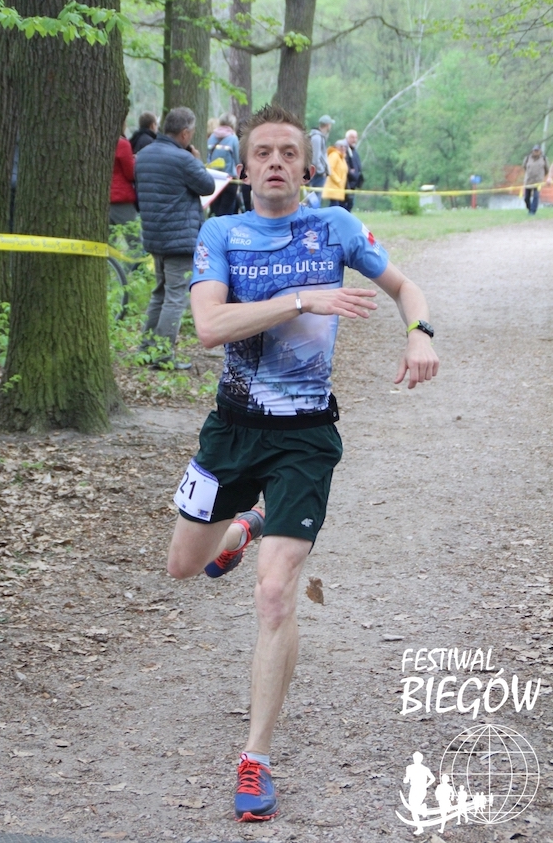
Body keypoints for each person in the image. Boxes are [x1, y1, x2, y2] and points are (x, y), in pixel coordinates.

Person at [166, 103, 439, 822]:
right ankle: (244, 525)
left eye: (289, 153)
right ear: (244, 166)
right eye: (264, 153)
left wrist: (420, 332)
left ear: (308, 166)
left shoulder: (335, 227)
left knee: (274, 594)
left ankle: (255, 758)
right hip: (231, 431)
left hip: (306, 437)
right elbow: (208, 326)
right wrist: (300, 299)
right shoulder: (222, 232)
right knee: (183, 567)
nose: (277, 163)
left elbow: (405, 288)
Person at [135, 107, 215, 368]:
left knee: (159, 292)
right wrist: (196, 160)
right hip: (179, 239)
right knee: (175, 296)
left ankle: (146, 348)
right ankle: (162, 355)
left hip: (154, 235)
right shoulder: (183, 159)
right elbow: (207, 186)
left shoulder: (144, 155)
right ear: (185, 133)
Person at [207, 112, 240, 217]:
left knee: (216, 210)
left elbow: (208, 157)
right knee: (226, 212)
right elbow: (238, 160)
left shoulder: (211, 137)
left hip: (214, 180)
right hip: (229, 180)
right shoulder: (233, 139)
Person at [109, 128, 138, 246]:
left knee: (108, 243)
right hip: (121, 199)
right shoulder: (122, 144)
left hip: (103, 199)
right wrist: (134, 161)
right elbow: (130, 173)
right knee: (134, 240)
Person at [403, 752, 435, 836]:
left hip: (419, 788)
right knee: (413, 808)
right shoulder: (410, 768)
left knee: (413, 809)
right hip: (415, 788)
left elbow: (433, 778)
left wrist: (426, 785)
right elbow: (407, 779)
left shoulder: (423, 769)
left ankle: (420, 828)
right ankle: (422, 808)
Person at [308, 114, 334, 206]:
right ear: (327, 125)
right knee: (314, 198)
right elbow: (315, 158)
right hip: (317, 174)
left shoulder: (321, 137)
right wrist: (321, 171)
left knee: (316, 198)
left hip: (319, 173)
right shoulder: (317, 138)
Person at [522, 144, 550, 214]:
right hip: (528, 181)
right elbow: (524, 167)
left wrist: (541, 176)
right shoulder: (527, 158)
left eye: (537, 150)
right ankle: (529, 208)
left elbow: (547, 169)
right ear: (532, 151)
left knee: (536, 196)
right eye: (535, 150)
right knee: (526, 197)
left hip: (538, 181)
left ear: (540, 151)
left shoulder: (544, 159)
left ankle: (533, 211)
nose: (536, 152)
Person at [323, 139, 349, 207]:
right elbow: (330, 169)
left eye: (345, 147)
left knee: (337, 206)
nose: (343, 148)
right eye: (341, 146)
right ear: (336, 147)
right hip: (333, 186)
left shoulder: (342, 157)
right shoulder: (334, 155)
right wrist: (338, 180)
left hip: (339, 188)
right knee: (334, 206)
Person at [344, 128, 364, 211]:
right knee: (345, 204)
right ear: (347, 138)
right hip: (346, 183)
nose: (354, 140)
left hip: (354, 183)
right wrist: (350, 172)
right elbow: (344, 165)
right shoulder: (344, 150)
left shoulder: (354, 151)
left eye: (356, 137)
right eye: (352, 137)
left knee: (351, 204)